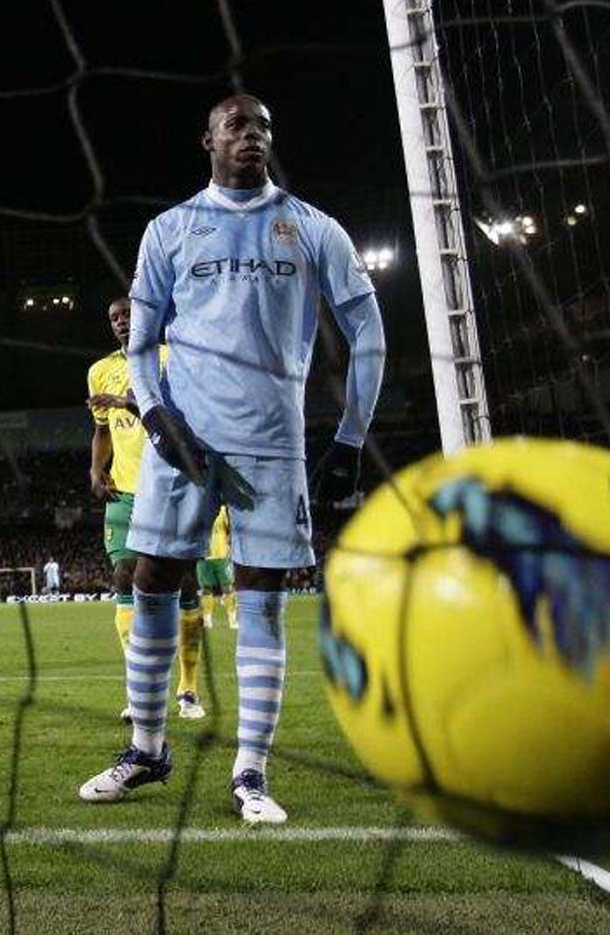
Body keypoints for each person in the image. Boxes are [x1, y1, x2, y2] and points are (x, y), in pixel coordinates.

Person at [79, 93, 385, 824]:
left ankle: (251, 772)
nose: (252, 136)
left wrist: (349, 438)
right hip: (184, 440)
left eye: (263, 127)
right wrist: (154, 416)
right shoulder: (171, 229)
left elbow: (368, 335)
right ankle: (147, 748)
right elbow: (141, 340)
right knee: (151, 577)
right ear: (208, 140)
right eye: (237, 126)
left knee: (262, 597)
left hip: (274, 445)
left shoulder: (313, 229)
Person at [87, 297, 205, 722]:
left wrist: (128, 404)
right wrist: (96, 469)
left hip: (171, 485)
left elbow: (183, 420)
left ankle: (188, 690)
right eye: (114, 317)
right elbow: (102, 431)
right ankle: (138, 690)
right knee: (123, 577)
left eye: (127, 315)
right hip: (124, 491)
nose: (121, 322)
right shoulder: (99, 371)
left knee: (185, 584)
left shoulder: (174, 359)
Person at [198, 507, 237, 630]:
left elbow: (230, 530)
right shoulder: (197, 510)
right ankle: (207, 620)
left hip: (221, 554)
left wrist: (230, 547)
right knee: (206, 589)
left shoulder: (222, 510)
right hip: (204, 555)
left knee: (227, 587)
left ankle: (232, 620)